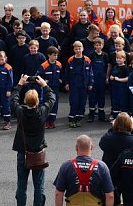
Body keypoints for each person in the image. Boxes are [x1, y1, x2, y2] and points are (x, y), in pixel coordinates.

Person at [12, 74, 55, 206]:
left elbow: (13, 99)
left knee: (21, 184)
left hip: (23, 151)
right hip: (37, 153)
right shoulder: (42, 112)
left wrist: (20, 84)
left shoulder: (20, 112)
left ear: (25, 101)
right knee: (39, 185)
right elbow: (52, 98)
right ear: (37, 101)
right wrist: (44, 85)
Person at [53, 134, 115, 206]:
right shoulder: (101, 166)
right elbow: (110, 195)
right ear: (91, 147)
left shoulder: (66, 166)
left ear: (76, 148)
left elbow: (58, 194)